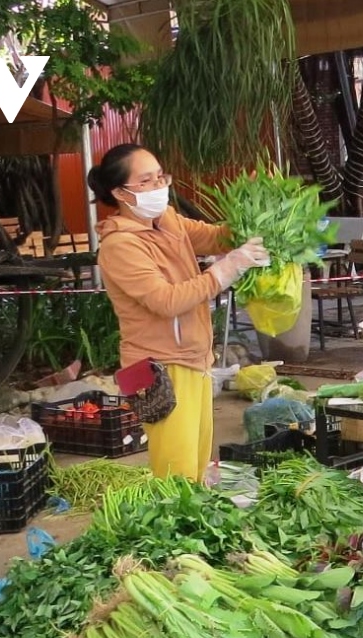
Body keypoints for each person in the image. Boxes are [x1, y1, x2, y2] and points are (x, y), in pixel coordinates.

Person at [88, 143, 270, 481]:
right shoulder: (120, 245)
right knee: (177, 475)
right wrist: (225, 270)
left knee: (198, 464)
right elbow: (166, 301)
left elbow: (216, 237)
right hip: (160, 368)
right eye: (146, 181)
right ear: (120, 192)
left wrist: (255, 204)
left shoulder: (166, 219)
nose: (159, 187)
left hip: (194, 358)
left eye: (160, 177)